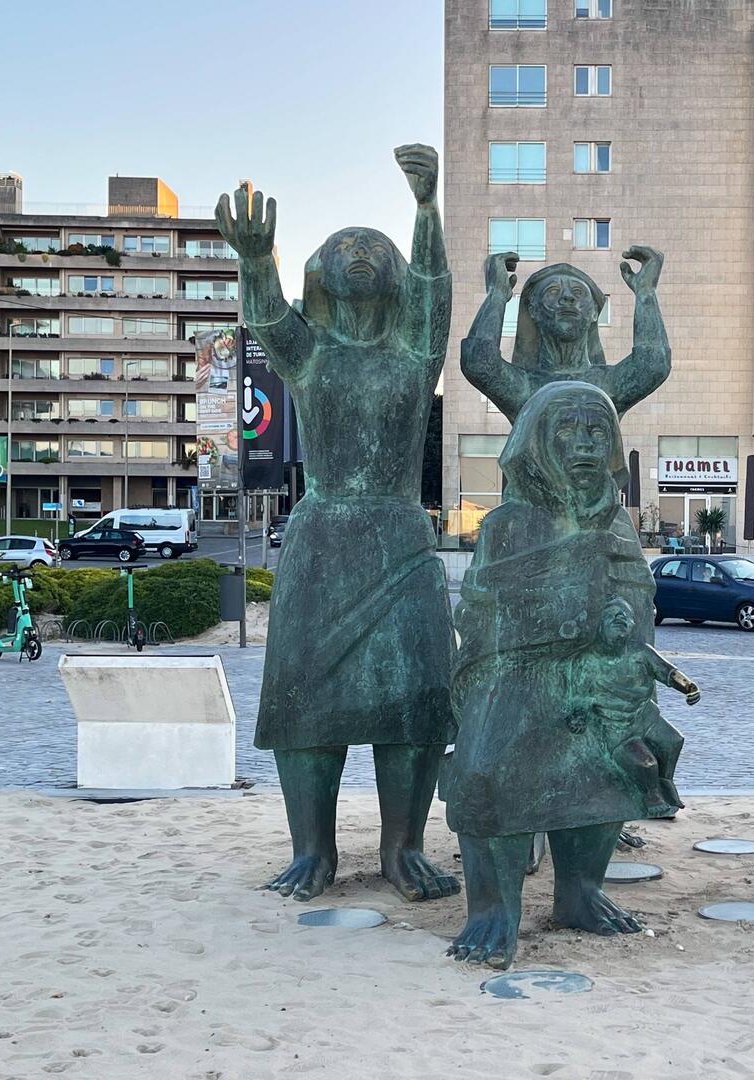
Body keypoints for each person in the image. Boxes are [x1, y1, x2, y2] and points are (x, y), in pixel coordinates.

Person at [214, 144, 458, 905]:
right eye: (343, 247)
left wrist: (424, 210)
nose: (358, 254)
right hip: (321, 540)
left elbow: (435, 296)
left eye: (371, 247)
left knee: (416, 700)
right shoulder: (309, 352)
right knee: (305, 701)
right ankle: (312, 851)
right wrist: (257, 262)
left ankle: (402, 847)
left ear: (391, 274)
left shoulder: (415, 351)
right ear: (321, 271)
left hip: (399, 539)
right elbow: (266, 318)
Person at [445, 381, 663, 968]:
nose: (585, 444)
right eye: (568, 429)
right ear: (537, 442)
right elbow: (481, 611)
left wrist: (626, 665)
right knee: (489, 772)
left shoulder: (618, 525)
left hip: (597, 678)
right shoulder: (507, 524)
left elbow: (640, 604)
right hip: (516, 674)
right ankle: (492, 909)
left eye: (598, 431)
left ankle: (580, 892)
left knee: (611, 768)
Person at [461, 248, 670, 421]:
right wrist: (496, 295)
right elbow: (479, 364)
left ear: (594, 313)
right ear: (533, 311)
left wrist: (646, 293)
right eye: (552, 291)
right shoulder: (523, 386)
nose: (567, 297)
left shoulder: (607, 384)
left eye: (578, 293)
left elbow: (652, 365)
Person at [579, 597, 699, 817]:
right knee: (646, 763)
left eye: (625, 616)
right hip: (616, 726)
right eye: (612, 615)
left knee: (673, 742)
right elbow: (576, 697)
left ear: (633, 625)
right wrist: (578, 715)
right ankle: (651, 796)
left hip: (644, 715)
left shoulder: (640, 652)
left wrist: (689, 687)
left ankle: (665, 783)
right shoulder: (589, 660)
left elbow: (668, 672)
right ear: (600, 625)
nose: (620, 618)